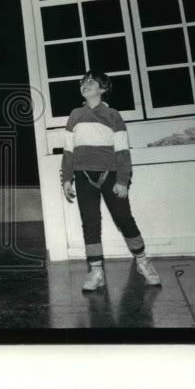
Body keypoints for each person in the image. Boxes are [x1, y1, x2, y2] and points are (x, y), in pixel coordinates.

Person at [57, 71, 161, 292]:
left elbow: (122, 151)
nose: (85, 84)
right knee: (90, 223)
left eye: (91, 82)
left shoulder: (113, 115)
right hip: (84, 177)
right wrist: (66, 178)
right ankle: (96, 271)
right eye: (83, 82)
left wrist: (123, 180)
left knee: (124, 218)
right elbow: (68, 152)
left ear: (103, 89)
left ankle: (143, 262)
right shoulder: (75, 115)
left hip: (110, 176)